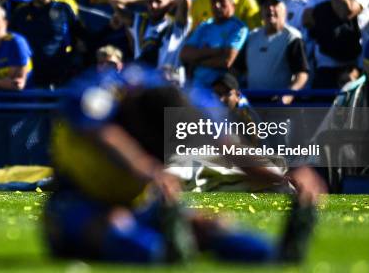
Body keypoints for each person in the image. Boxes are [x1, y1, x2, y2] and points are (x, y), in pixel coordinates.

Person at [45, 65, 325, 264]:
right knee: (116, 224)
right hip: (77, 202)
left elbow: (229, 150)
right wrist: (147, 168)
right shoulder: (99, 92)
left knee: (210, 226)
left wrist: (284, 176)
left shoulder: (189, 100)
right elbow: (104, 135)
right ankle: (158, 253)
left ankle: (276, 257)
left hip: (142, 203)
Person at [10, 0, 87, 88]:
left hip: (59, 73)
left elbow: (81, 36)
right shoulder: (20, 12)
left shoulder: (64, 9)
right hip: (29, 75)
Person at [111, 0, 191, 83]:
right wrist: (144, 0)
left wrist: (169, 1)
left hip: (169, 83)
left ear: (169, 4)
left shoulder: (176, 26)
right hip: (145, 82)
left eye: (158, 2)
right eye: (150, 2)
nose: (153, 5)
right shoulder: (139, 23)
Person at [239, 0, 309, 104]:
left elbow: (302, 74)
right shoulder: (252, 37)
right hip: (252, 103)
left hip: (277, 104)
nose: (270, 8)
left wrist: (288, 95)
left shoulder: (292, 37)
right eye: (266, 5)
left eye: (275, 4)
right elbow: (238, 69)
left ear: (284, 10)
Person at [180, 0, 248, 88]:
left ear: (232, 4)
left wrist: (197, 61)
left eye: (222, 1)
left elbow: (226, 61)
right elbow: (185, 54)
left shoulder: (238, 28)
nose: (217, 5)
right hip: (196, 87)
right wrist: (215, 51)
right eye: (213, 1)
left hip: (219, 90)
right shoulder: (205, 25)